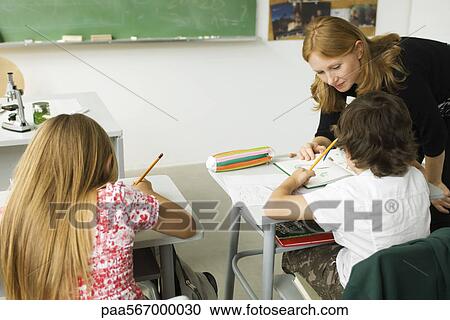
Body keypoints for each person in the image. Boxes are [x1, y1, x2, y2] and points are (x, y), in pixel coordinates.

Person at [0, 114, 196, 299]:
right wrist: (147, 192)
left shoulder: (11, 212)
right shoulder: (117, 200)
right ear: (108, 163)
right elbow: (187, 226)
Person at [266, 91, 430, 299]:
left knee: (295, 252)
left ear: (349, 152)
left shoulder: (348, 192)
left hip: (363, 289)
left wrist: (294, 181)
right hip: (411, 280)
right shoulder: (417, 177)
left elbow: (274, 207)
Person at [296, 16, 450, 231]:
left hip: (439, 103)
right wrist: (317, 143)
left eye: (335, 67)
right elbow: (328, 129)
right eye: (320, 72)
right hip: (422, 108)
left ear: (359, 50)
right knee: (403, 180)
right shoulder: (337, 78)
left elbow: (434, 136)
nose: (331, 79)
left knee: (439, 202)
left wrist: (433, 184)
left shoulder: (398, 72)